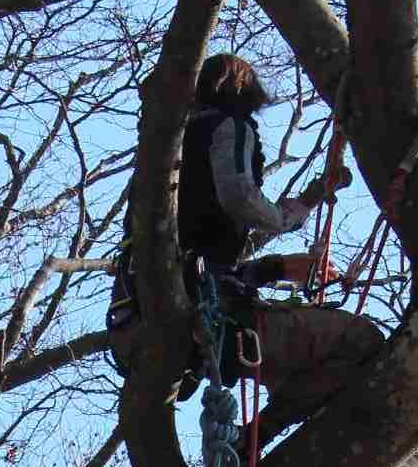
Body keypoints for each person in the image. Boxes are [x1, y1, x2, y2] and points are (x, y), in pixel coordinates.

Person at [109, 54, 380, 440]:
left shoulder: (164, 155)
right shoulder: (229, 127)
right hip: (204, 317)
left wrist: (282, 257)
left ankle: (249, 448)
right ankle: (256, 438)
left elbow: (208, 253)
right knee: (359, 340)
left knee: (296, 371)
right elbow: (239, 197)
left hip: (136, 324)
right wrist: (284, 221)